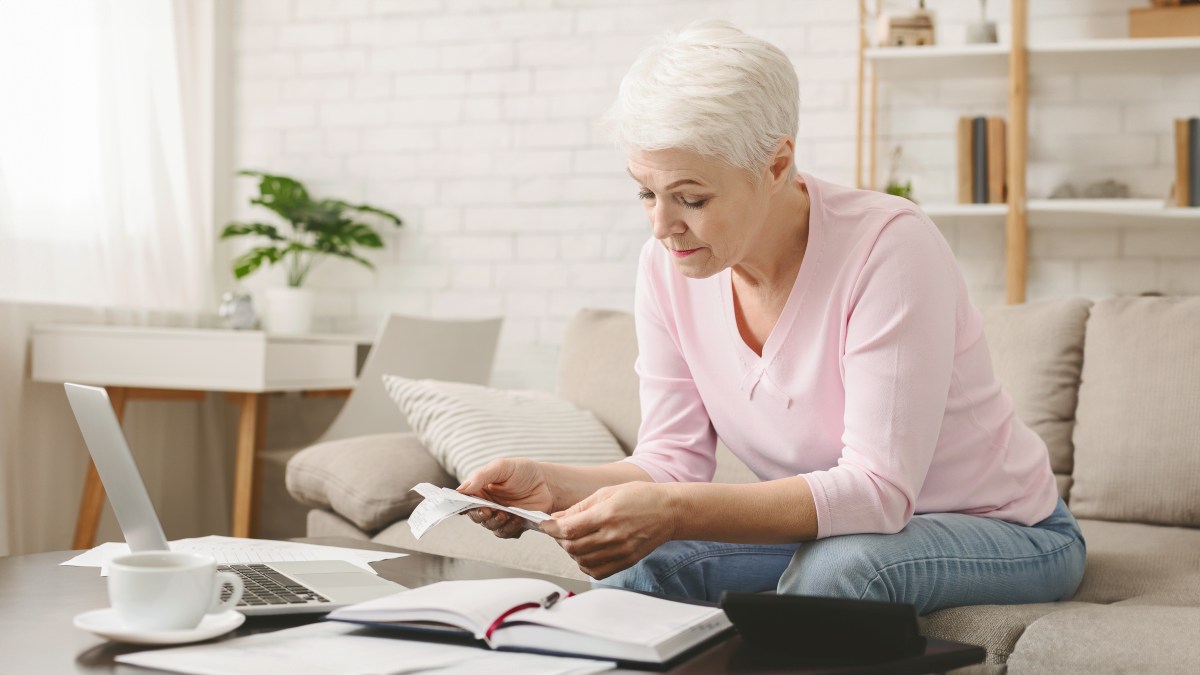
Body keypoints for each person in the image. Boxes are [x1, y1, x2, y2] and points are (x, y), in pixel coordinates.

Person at [457, 19, 1085, 615]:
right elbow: (671, 462)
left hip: (1006, 529)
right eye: (646, 192)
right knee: (645, 568)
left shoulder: (889, 246)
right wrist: (553, 485)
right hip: (843, 528)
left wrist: (673, 512)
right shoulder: (666, 265)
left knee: (841, 572)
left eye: (692, 198)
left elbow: (877, 492)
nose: (662, 225)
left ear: (777, 163)